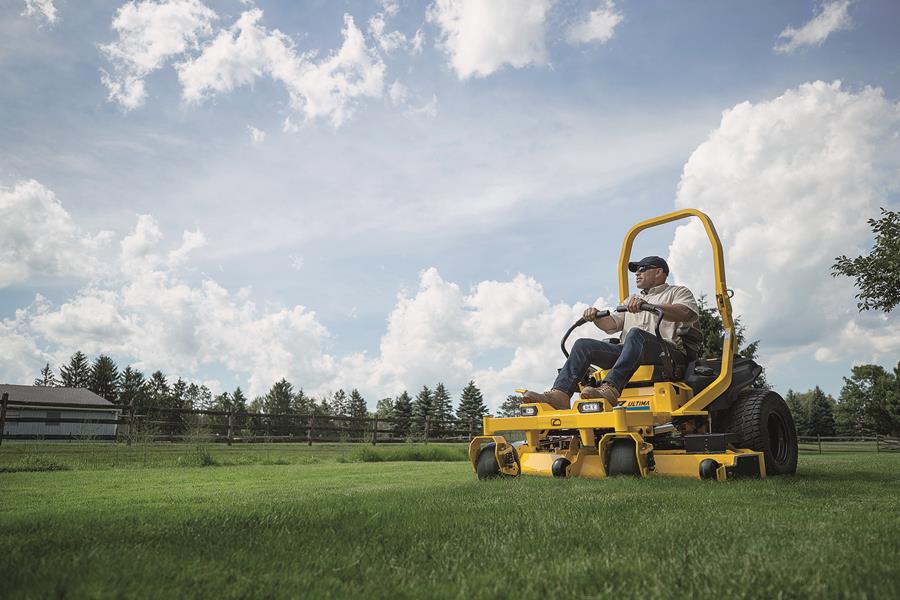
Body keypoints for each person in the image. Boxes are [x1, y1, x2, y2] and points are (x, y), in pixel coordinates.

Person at [524, 256, 699, 410]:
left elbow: (686, 312)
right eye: (635, 271)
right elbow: (612, 324)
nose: (637, 273)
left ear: (659, 272)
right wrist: (595, 316)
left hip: (666, 353)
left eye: (643, 269)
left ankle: (611, 389)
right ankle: (560, 395)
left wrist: (650, 306)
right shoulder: (631, 300)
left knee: (635, 335)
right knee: (583, 345)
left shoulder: (677, 292)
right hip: (630, 352)